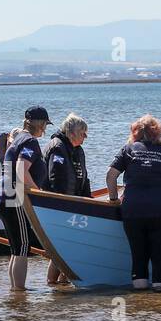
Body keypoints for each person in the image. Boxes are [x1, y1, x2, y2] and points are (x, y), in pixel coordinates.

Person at [107, 115, 161, 291]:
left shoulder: (128, 149)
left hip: (133, 211)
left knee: (138, 256)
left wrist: (113, 199)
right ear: (157, 133)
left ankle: (140, 302)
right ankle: (160, 301)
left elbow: (111, 175)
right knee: (160, 257)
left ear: (135, 132)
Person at [0, 107, 51, 290]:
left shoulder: (17, 139)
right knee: (23, 247)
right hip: (14, 199)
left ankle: (16, 292)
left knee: (16, 247)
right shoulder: (29, 141)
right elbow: (21, 169)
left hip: (3, 197)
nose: (45, 129)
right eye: (44, 125)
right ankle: (20, 290)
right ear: (40, 124)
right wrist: (37, 191)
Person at [43, 113, 92, 284]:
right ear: (71, 132)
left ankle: (63, 284)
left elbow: (84, 178)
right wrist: (62, 205)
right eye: (82, 133)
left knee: (70, 248)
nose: (85, 136)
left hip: (75, 205)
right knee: (62, 249)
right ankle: (52, 283)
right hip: (61, 207)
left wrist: (89, 203)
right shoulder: (57, 147)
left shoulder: (77, 150)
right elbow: (55, 178)